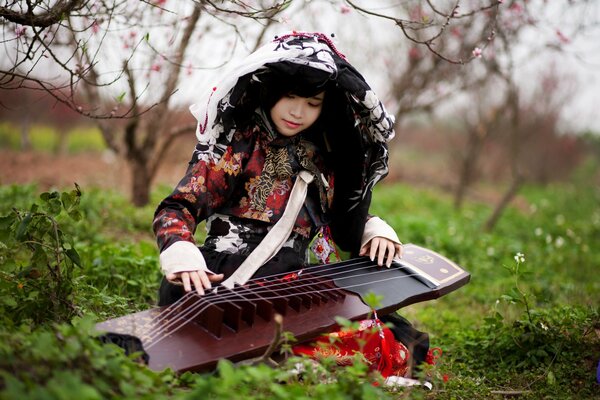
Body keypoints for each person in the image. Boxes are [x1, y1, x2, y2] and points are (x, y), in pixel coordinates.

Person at [152, 32, 429, 378]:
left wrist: (371, 229)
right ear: (271, 92)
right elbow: (176, 208)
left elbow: (336, 218)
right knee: (233, 344)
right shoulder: (238, 143)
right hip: (229, 280)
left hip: (292, 285)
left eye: (313, 104)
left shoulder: (320, 156)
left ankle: (288, 361)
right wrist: (181, 251)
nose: (299, 112)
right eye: (291, 97)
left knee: (393, 340)